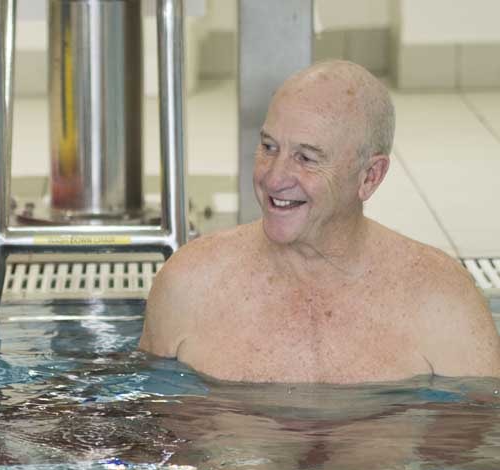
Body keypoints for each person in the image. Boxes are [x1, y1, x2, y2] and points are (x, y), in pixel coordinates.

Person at [140, 60, 500, 383]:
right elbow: (148, 424)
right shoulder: (189, 285)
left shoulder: (441, 301)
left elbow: (479, 445)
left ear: (369, 177)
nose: (273, 177)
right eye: (268, 147)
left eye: (306, 158)